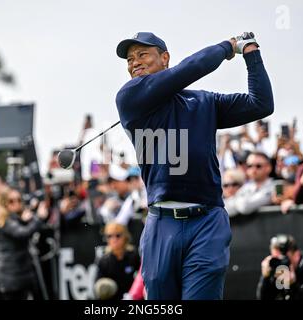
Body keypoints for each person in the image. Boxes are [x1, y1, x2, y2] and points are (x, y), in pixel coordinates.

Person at [115, 31, 273, 299]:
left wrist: (251, 54)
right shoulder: (129, 96)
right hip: (161, 224)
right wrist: (227, 47)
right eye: (130, 59)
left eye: (142, 54)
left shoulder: (203, 101)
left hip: (207, 221)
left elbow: (260, 104)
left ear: (165, 58)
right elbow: (189, 69)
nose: (135, 63)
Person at [0, 187, 49, 300]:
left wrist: (26, 220)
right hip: (12, 275)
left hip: (22, 272)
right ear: (4, 203)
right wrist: (38, 218)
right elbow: (22, 233)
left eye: (19, 200)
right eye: (11, 201)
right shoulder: (4, 220)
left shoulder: (14, 218)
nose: (16, 203)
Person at [94, 222, 141, 300]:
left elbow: (141, 279)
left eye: (118, 235)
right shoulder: (103, 260)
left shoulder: (134, 256)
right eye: (109, 236)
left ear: (125, 236)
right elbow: (98, 287)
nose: (114, 239)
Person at [224, 152, 274, 217]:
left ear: (268, 168)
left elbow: (244, 206)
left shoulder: (274, 186)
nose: (253, 169)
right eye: (249, 166)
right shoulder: (245, 188)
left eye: (258, 166)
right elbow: (225, 208)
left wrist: (237, 202)